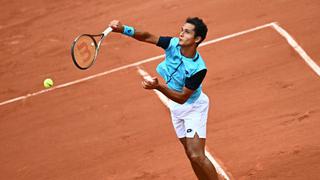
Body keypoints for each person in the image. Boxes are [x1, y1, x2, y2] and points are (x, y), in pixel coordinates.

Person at [109, 17, 219, 180]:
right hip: (175, 107)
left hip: (193, 108)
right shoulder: (173, 44)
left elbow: (182, 97)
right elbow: (147, 36)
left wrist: (158, 87)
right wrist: (124, 29)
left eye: (187, 32)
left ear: (197, 39)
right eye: (182, 30)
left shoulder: (198, 68)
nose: (181, 34)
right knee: (190, 155)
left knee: (197, 155)